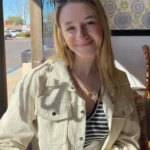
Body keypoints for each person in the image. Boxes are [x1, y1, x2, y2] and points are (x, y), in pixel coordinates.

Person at [0, 0, 141, 150]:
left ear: (103, 26)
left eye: (90, 23)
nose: (81, 34)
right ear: (62, 35)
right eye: (70, 28)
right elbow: (7, 141)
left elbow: (128, 139)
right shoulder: (38, 80)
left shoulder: (120, 80)